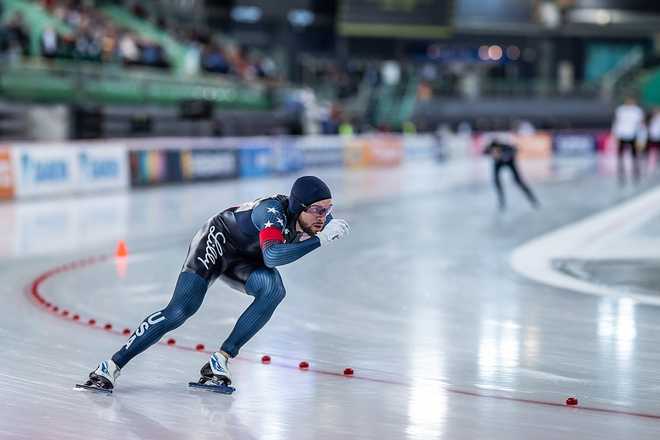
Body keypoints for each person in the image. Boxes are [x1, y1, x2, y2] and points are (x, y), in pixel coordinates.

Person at [81, 176, 350, 391]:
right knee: (179, 311)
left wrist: (316, 236)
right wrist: (320, 240)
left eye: (328, 210)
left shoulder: (310, 222)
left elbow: (269, 260)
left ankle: (219, 360)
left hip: (245, 259)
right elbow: (272, 255)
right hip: (217, 241)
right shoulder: (272, 211)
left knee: (273, 291)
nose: (323, 217)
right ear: (299, 207)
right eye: (317, 210)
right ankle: (110, 366)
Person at [483, 135, 539, 210]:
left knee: (519, 181)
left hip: (510, 162)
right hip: (498, 163)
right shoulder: (490, 147)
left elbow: (516, 149)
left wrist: (506, 156)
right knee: (496, 181)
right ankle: (501, 202)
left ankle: (532, 199)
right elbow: (484, 152)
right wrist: (492, 153)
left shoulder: (505, 146)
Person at [612, 97, 644, 183]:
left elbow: (640, 123)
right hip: (622, 134)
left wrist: (641, 135)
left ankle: (635, 170)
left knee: (634, 154)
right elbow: (617, 122)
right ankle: (621, 170)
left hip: (633, 134)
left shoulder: (637, 110)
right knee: (620, 154)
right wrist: (615, 134)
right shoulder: (621, 110)